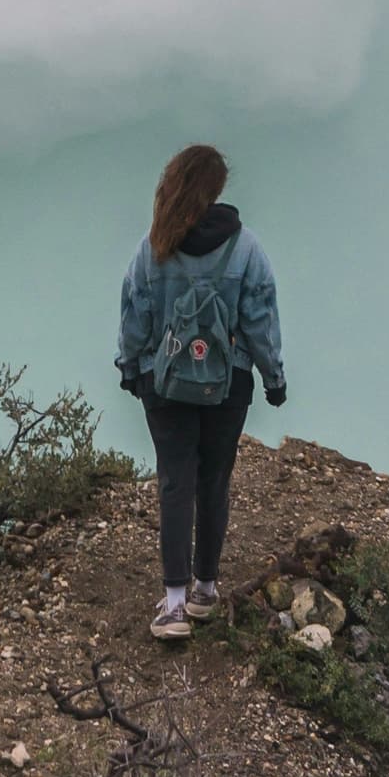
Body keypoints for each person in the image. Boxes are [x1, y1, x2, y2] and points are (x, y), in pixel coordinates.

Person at [117, 143, 285, 642]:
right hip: (226, 384)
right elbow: (259, 318)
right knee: (214, 482)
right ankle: (206, 591)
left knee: (174, 482)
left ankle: (172, 607)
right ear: (216, 190)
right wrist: (272, 376)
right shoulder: (246, 247)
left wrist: (130, 366)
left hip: (164, 384)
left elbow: (135, 314)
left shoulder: (154, 246)